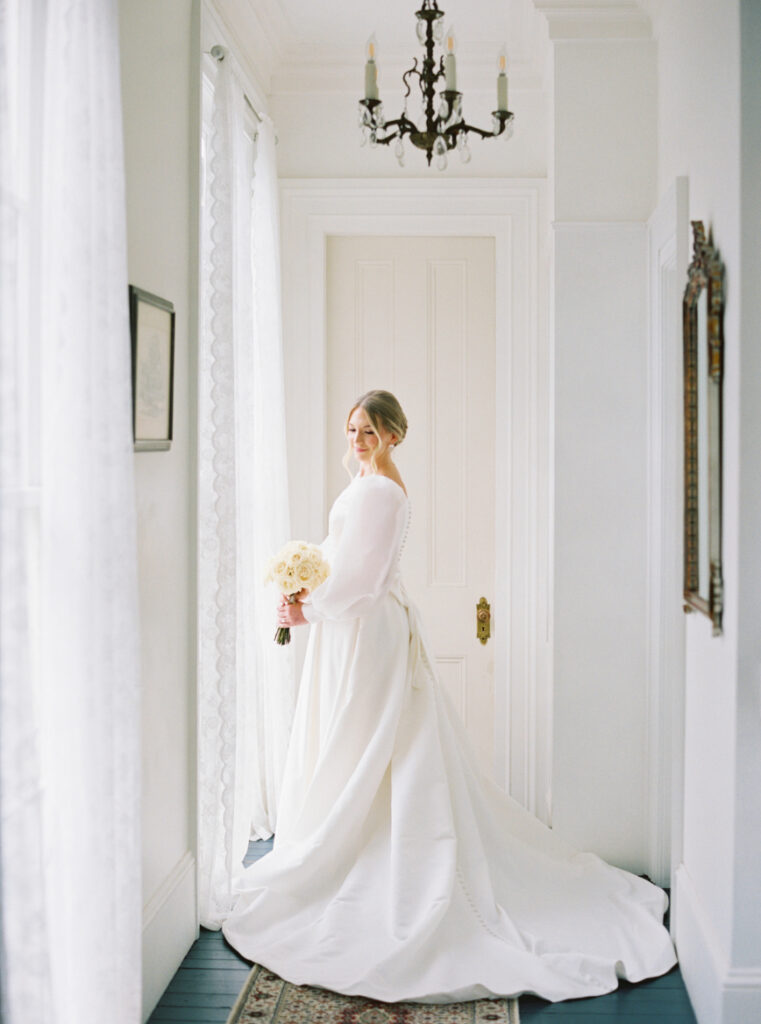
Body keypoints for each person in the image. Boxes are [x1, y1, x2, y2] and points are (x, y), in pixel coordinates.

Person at [221, 389, 677, 1004]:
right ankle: (354, 849)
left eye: (369, 432)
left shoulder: (382, 491)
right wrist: (302, 586)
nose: (357, 441)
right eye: (352, 430)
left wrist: (309, 609)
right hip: (352, 627)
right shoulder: (369, 485)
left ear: (392, 435)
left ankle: (376, 869)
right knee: (361, 745)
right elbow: (343, 561)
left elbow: (363, 580)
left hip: (366, 632)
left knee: (369, 744)